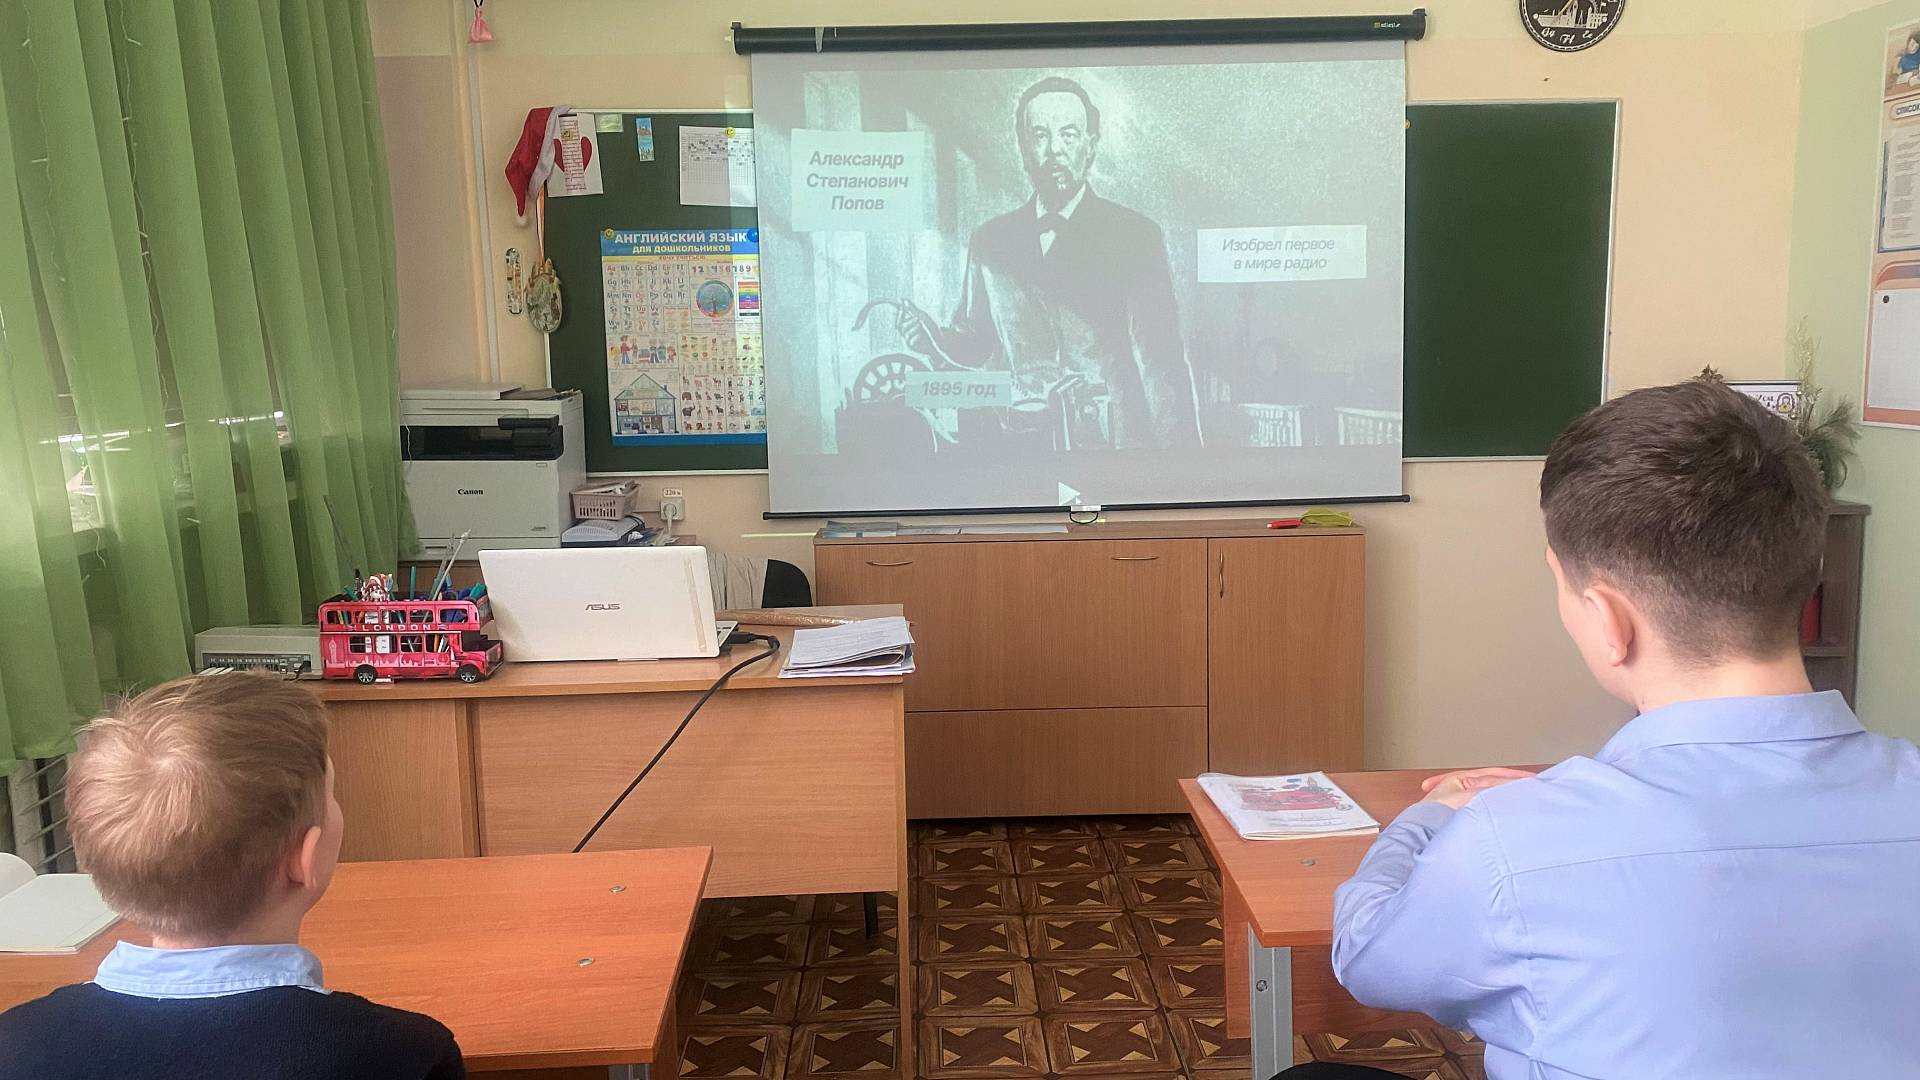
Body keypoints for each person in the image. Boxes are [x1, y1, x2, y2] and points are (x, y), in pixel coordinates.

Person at [1296, 381, 1920, 1079]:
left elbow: (1369, 959)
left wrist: (1430, 817)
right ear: (1809, 572)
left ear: (1609, 619)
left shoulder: (1514, 844)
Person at [0, 674, 465, 1080]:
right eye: (332, 795)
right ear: (304, 859)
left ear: (96, 862)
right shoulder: (404, 1055)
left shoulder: (14, 1045)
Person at [898, 76, 1201, 451]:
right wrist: (933, 340)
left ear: (1090, 146)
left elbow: (1162, 362)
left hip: (1110, 446)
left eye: (1069, 135)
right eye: (1040, 136)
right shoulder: (990, 241)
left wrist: (1181, 464)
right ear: (1023, 150)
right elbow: (976, 342)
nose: (1054, 149)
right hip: (1020, 445)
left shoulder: (1135, 236)